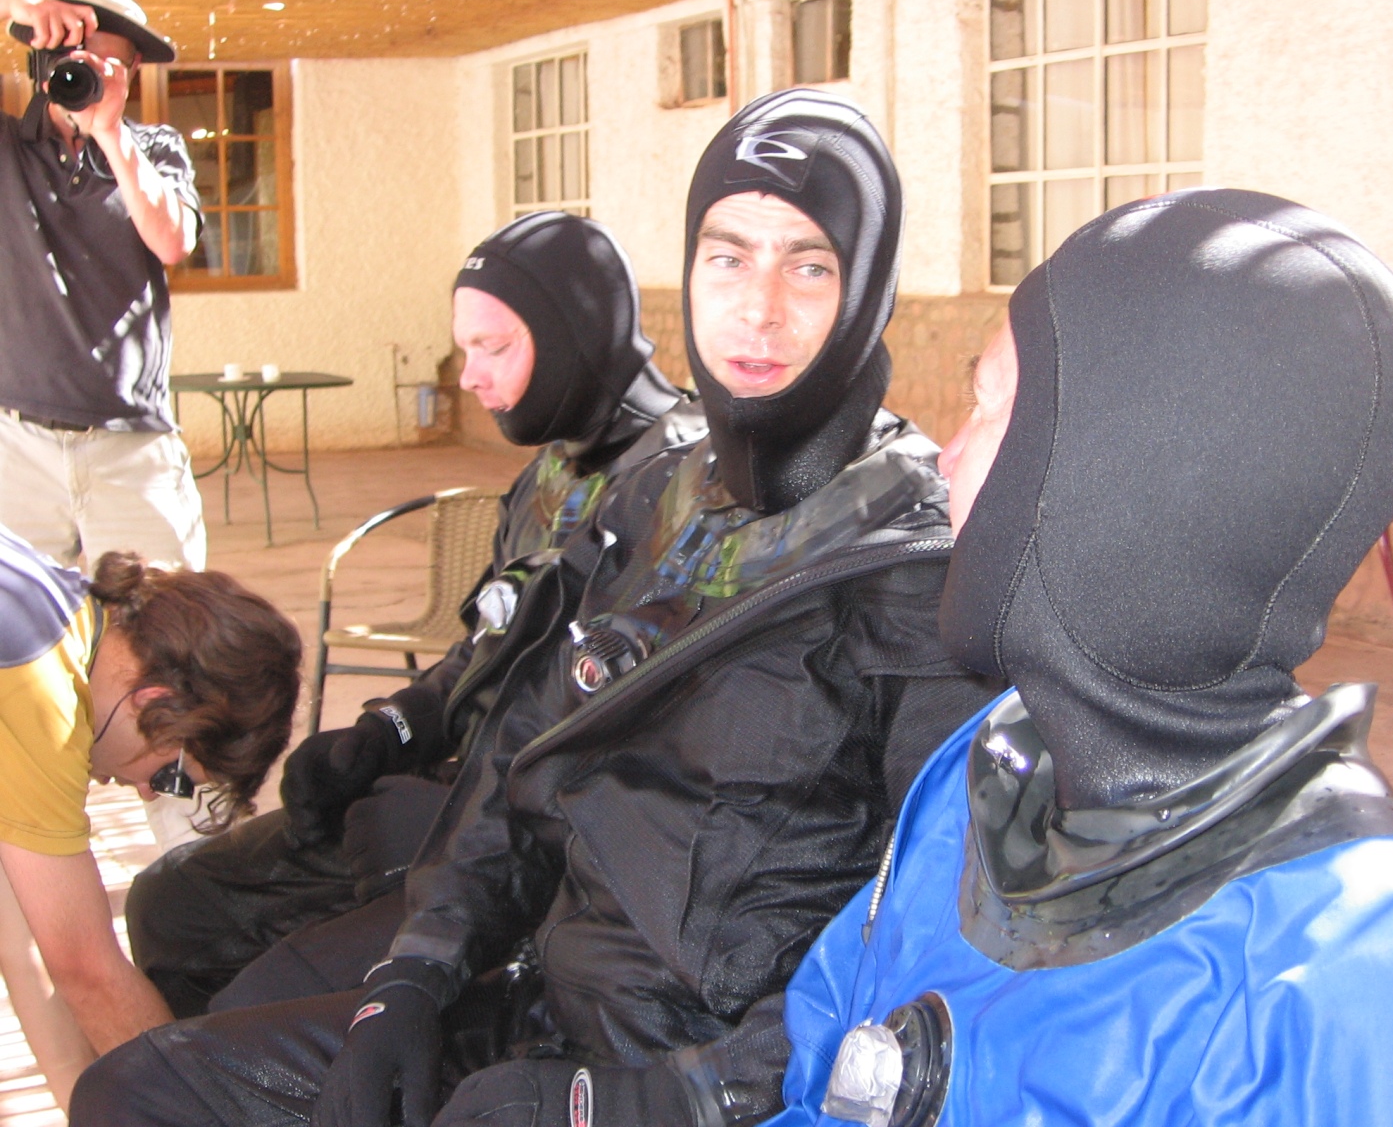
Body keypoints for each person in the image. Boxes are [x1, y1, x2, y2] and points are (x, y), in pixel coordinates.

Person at [69, 88, 1000, 1127]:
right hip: (540, 995)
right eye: (728, 258)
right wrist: (416, 972)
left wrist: (670, 1097)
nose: (759, 309)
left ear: (869, 288)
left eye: (809, 266)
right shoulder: (657, 502)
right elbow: (522, 746)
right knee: (138, 1092)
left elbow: (939, 952)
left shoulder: (918, 562)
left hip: (705, 1076)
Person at [767, 188, 1393, 1127]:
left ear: (1123, 481)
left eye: (989, 409)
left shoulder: (1375, 1002)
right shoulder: (994, 772)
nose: (944, 458)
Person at [123, 211, 704, 1017]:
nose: (468, 377)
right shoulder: (550, 474)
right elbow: (487, 648)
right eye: (465, 349)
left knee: (251, 1008)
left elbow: (655, 746)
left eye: (492, 348)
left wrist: (459, 822)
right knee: (172, 902)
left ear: (575, 336)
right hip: (453, 801)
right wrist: (390, 731)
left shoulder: (690, 495)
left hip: (541, 860)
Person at [0, 526, 300, 1109]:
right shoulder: (42, 693)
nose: (142, 790)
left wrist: (81, 1103)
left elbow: (27, 940)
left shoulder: (53, 611)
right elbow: (87, 970)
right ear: (153, 700)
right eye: (169, 777)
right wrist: (194, 1115)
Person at [0, 0, 204, 572]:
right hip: (15, 443)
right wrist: (17, 4)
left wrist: (111, 134)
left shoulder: (154, 147)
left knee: (163, 619)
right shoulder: (8, 145)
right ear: (42, 64)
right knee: (17, 626)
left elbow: (173, 242)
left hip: (133, 443)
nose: (86, 73)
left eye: (107, 64)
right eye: (73, 59)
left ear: (132, 71)